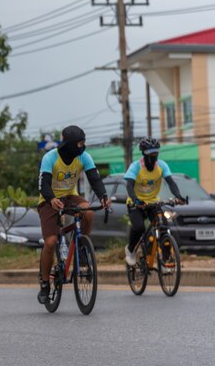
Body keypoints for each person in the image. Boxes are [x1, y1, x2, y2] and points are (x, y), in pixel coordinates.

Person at [37, 125, 110, 304]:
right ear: (68, 144)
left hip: (70, 195)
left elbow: (94, 179)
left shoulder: (84, 157)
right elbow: (43, 184)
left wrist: (103, 197)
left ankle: (81, 248)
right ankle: (45, 283)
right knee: (51, 241)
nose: (82, 147)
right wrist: (51, 199)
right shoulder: (50, 158)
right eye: (79, 144)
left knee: (88, 211)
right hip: (48, 199)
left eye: (84, 143)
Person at [124, 137, 185, 266]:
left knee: (164, 228)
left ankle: (166, 260)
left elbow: (171, 182)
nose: (153, 158)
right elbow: (129, 185)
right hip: (136, 203)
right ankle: (130, 250)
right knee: (139, 228)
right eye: (150, 155)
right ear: (144, 154)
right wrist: (136, 200)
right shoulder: (136, 167)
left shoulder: (162, 166)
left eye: (155, 154)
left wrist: (178, 196)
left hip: (153, 203)